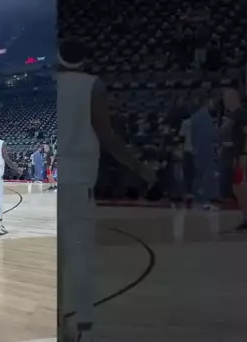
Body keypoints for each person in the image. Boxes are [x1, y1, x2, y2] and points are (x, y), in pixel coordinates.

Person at [56, 38, 155, 341]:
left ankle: (58, 324)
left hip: (54, 184)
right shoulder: (92, 85)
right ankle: (84, 324)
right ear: (85, 60)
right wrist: (140, 167)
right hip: (79, 182)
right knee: (80, 256)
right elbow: (107, 136)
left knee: (56, 260)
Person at [223, 88, 247, 231]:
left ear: (234, 98)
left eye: (226, 98)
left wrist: (245, 154)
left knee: (242, 185)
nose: (224, 101)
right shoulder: (232, 116)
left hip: (243, 155)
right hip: (236, 155)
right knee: (237, 187)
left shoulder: (243, 113)